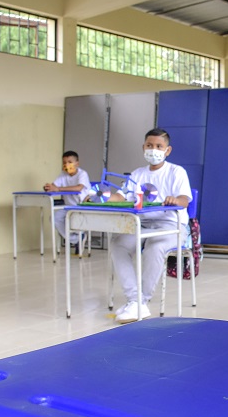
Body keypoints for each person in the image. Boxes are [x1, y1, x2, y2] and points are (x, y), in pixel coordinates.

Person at [107, 128, 192, 323]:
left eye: (159, 147)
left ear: (167, 150)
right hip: (143, 224)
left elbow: (185, 200)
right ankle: (135, 301)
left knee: (155, 248)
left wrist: (175, 199)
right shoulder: (137, 174)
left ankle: (140, 301)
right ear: (143, 148)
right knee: (118, 244)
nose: (153, 150)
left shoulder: (176, 172)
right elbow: (122, 196)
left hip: (171, 225)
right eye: (149, 146)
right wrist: (102, 197)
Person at [43, 150, 91, 251]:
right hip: (67, 206)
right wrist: (49, 187)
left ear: (77, 163)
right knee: (54, 218)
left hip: (81, 206)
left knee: (75, 222)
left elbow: (79, 188)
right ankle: (76, 239)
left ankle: (79, 237)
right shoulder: (63, 174)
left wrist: (58, 189)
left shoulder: (82, 174)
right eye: (64, 162)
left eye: (70, 162)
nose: (67, 165)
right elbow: (55, 186)